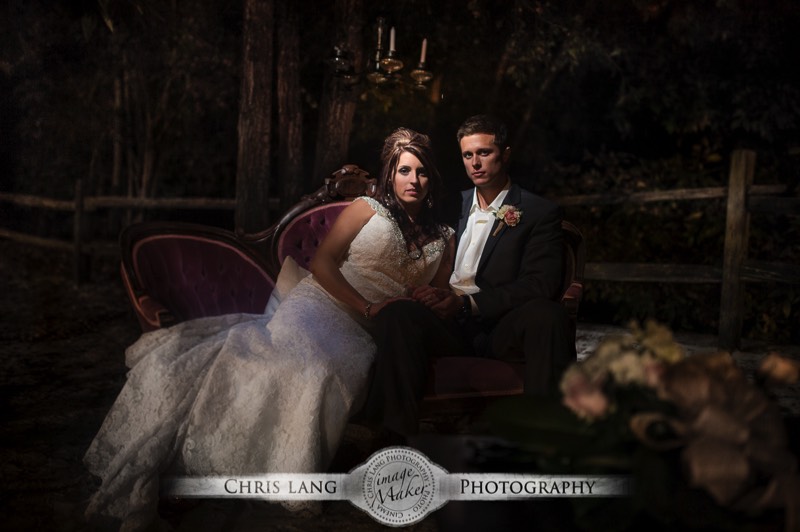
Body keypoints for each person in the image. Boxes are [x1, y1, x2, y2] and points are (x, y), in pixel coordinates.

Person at [83, 128, 454, 530]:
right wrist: (365, 304)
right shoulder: (367, 208)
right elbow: (325, 262)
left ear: (433, 178)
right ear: (390, 173)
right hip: (323, 304)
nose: (413, 180)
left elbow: (436, 295)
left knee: (321, 373)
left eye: (421, 172)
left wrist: (438, 299)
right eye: (404, 170)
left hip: (370, 330)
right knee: (284, 361)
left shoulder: (444, 238)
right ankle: (198, 468)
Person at [363, 114, 575, 437]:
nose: (475, 163)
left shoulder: (537, 213)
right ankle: (392, 444)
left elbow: (539, 284)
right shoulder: (450, 205)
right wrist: (429, 293)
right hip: (448, 326)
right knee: (398, 313)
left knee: (548, 315)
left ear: (505, 153)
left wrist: (468, 304)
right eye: (467, 155)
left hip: (500, 326)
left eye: (484, 153)